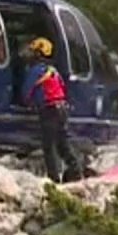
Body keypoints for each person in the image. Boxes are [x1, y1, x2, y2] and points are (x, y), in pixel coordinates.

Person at [20, 38, 82, 183]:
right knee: (63, 143)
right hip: (62, 109)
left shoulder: (35, 71)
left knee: (49, 146)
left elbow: (26, 92)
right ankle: (76, 170)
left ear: (38, 54)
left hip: (49, 111)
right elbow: (63, 88)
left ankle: (54, 179)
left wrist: (29, 105)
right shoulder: (53, 71)